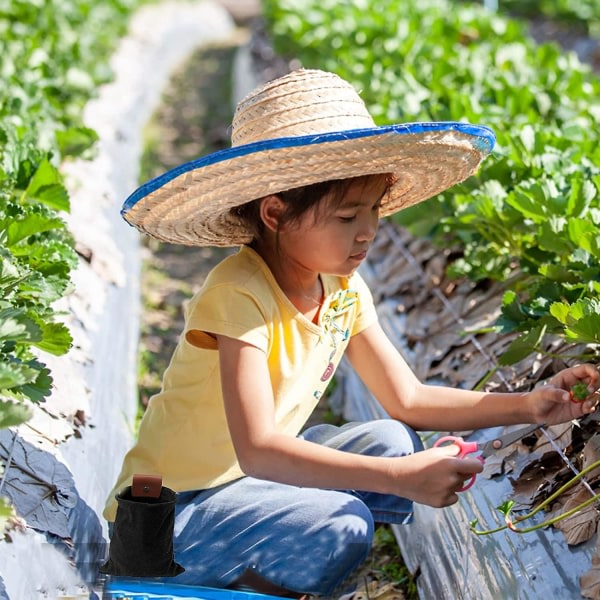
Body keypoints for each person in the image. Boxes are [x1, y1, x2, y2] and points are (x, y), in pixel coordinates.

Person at [103, 69, 600, 598]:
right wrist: (402, 479)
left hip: (246, 487)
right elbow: (259, 450)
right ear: (275, 212)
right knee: (342, 525)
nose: (367, 232)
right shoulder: (237, 295)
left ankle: (280, 551)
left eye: (372, 211)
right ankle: (209, 591)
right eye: (346, 216)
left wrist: (530, 406)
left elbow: (408, 399)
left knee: (392, 441)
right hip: (171, 519)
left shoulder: (340, 289)